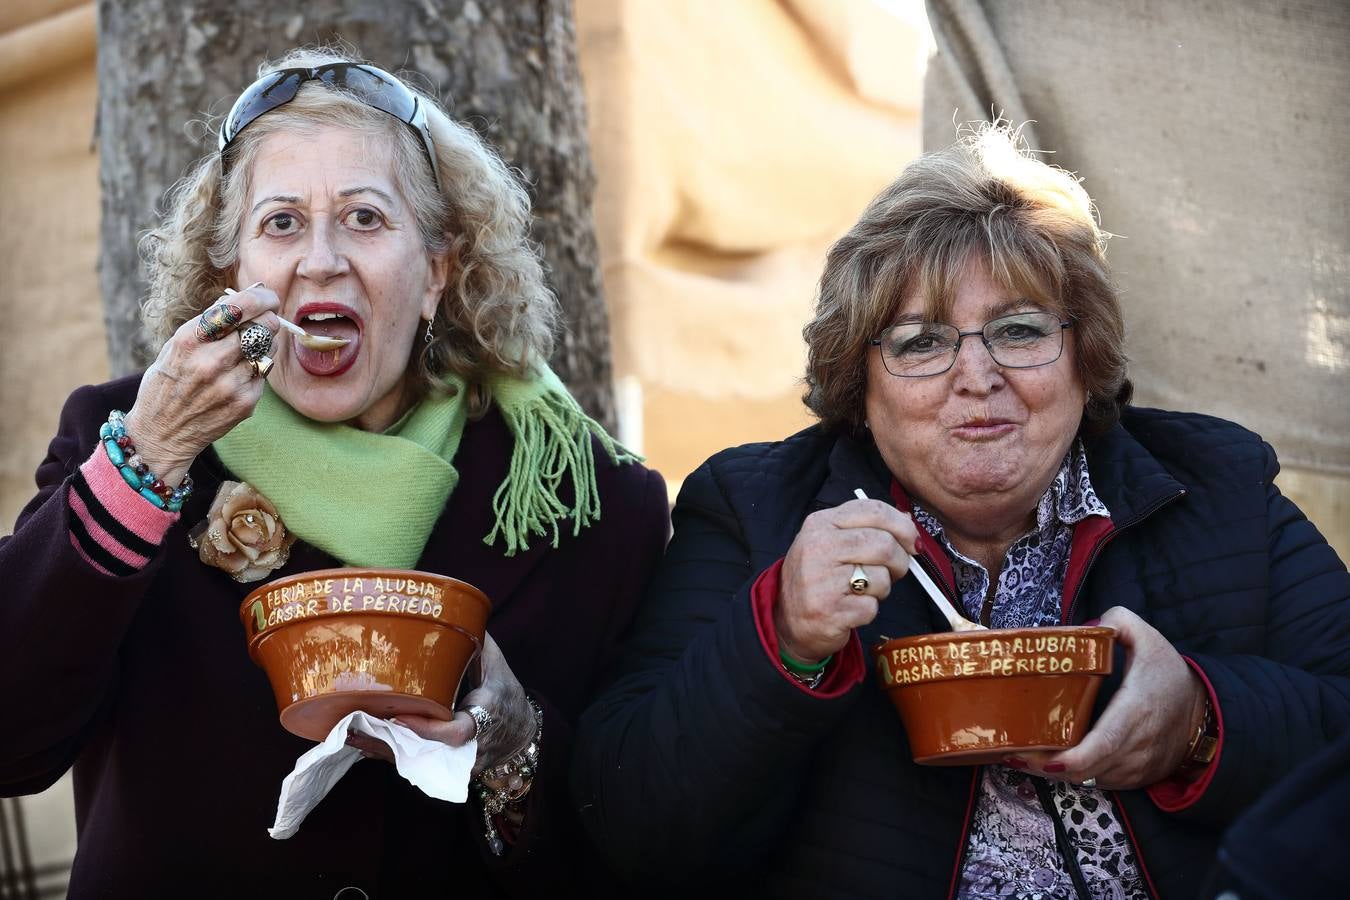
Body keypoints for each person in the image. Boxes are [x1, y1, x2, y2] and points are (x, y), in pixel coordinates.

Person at [572, 125, 1350, 899]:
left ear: (1086, 356)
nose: (976, 376)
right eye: (919, 343)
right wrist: (781, 636)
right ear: (859, 381)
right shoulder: (754, 509)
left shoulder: (1216, 484)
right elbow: (628, 827)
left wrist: (1201, 726)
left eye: (1019, 331)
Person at [0, 48, 668, 899]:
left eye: (363, 218)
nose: (320, 259)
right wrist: (148, 461)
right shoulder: (131, 441)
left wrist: (516, 748)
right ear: (231, 277)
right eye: (281, 223)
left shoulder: (588, 501)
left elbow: (651, 829)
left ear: (435, 274)